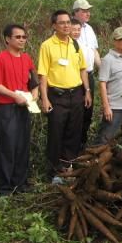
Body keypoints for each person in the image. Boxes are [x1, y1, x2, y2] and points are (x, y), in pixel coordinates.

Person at [38, 10, 92, 184]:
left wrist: (87, 91)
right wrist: (44, 98)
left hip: (76, 94)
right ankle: (53, 171)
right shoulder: (47, 45)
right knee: (56, 133)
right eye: (62, 23)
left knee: (74, 131)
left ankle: (67, 166)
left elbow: (82, 69)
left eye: (68, 22)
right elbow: (43, 74)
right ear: (54, 25)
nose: (66, 25)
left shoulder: (75, 45)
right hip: (57, 95)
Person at [0, 24, 38, 196]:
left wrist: (34, 94)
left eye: (24, 37)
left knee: (22, 146)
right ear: (7, 39)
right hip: (7, 108)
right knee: (7, 147)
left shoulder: (26, 58)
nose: (22, 40)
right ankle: (5, 187)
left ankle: (21, 183)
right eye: (18, 37)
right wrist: (13, 96)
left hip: (23, 107)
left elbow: (33, 81)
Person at [94, 27, 122, 145]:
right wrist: (106, 106)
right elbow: (102, 84)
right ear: (115, 41)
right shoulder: (108, 60)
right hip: (115, 108)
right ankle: (94, 160)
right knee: (104, 138)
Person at [72, 0, 101, 149]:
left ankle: (82, 143)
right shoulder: (69, 28)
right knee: (77, 111)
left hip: (88, 74)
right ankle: (73, 146)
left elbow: (94, 51)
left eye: (88, 10)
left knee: (88, 110)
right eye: (84, 11)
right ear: (76, 12)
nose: (87, 13)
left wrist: (102, 69)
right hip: (74, 76)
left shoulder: (89, 29)